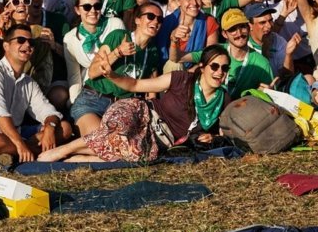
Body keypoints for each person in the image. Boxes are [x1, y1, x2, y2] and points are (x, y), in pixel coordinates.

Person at [38, 44, 232, 163]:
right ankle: (64, 150)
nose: (219, 72)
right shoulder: (182, 79)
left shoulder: (223, 99)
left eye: (224, 68)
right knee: (118, 131)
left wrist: (211, 136)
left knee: (134, 153)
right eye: (214, 66)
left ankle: (80, 159)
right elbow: (135, 84)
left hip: (160, 140)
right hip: (142, 113)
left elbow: (223, 135)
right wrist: (112, 75)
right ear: (203, 67)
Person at [0, 23, 71, 166]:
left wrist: (50, 128)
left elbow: (48, 111)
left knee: (64, 128)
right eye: (21, 40)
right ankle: (29, 152)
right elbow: (0, 117)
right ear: (6, 46)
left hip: (14, 134)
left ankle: (11, 154)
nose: (27, 45)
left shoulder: (28, 81)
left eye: (31, 42)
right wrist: (20, 144)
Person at [63, 0, 149, 135]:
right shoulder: (70, 38)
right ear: (77, 10)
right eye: (86, 7)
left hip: (119, 95)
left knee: (113, 145)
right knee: (100, 140)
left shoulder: (115, 24)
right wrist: (73, 102)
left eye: (97, 6)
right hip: (92, 92)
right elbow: (74, 74)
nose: (92, 11)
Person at [218, 9, 274, 97]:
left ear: (248, 28)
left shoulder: (262, 63)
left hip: (244, 108)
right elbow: (192, 57)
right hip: (215, 107)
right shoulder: (216, 52)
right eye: (233, 29)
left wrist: (267, 93)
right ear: (224, 34)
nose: (239, 33)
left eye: (242, 27)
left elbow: (272, 99)